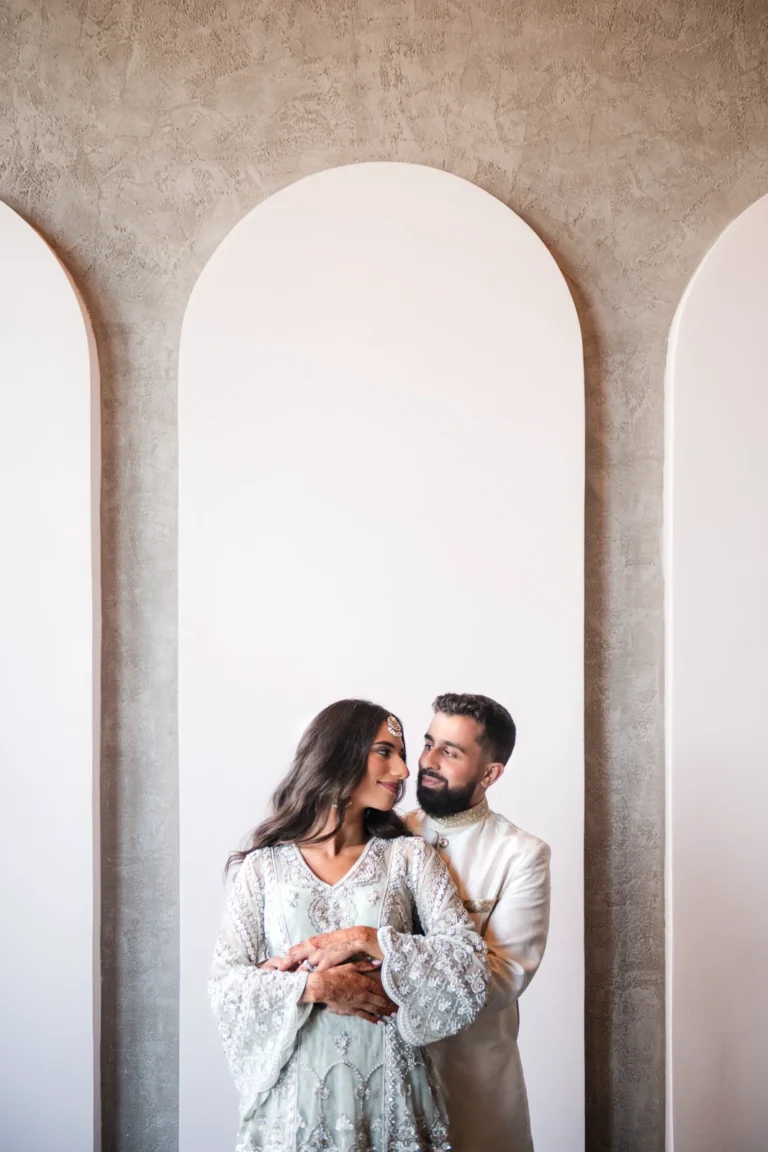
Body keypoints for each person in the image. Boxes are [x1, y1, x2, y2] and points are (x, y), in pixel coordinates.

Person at [209, 698, 489, 1152]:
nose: (402, 770)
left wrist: (370, 940)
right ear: (337, 752)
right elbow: (226, 985)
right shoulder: (263, 869)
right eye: (385, 751)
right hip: (293, 1110)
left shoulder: (409, 857)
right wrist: (317, 987)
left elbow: (469, 965)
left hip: (393, 1101)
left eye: (402, 754)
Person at [407, 693, 551, 1152]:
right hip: (389, 1081)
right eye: (428, 743)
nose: (427, 760)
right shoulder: (385, 833)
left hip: (478, 1092)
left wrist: (384, 971)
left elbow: (503, 977)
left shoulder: (522, 855)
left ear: (490, 773)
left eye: (449, 752)